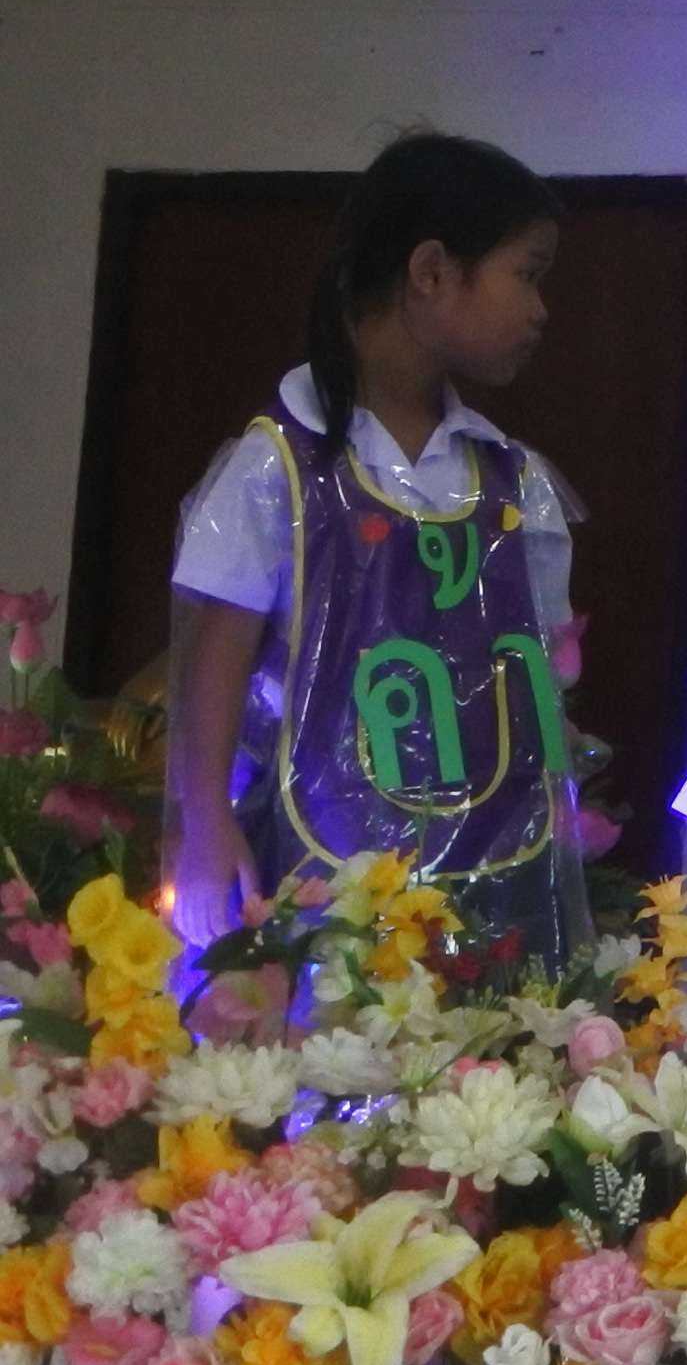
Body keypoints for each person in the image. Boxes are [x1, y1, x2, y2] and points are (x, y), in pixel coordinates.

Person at [163, 134, 590, 976]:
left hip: (493, 879)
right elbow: (215, 658)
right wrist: (204, 822)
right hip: (318, 878)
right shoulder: (279, 467)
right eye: (527, 273)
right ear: (432, 272)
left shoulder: (516, 483)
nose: (541, 309)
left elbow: (541, 675)